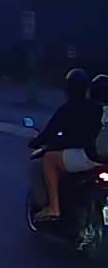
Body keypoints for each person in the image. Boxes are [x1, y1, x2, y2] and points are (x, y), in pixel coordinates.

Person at [30, 68, 103, 221]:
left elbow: (49, 132)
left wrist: (35, 143)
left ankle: (53, 208)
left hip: (87, 155)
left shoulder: (68, 108)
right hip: (101, 156)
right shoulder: (99, 109)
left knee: (49, 159)